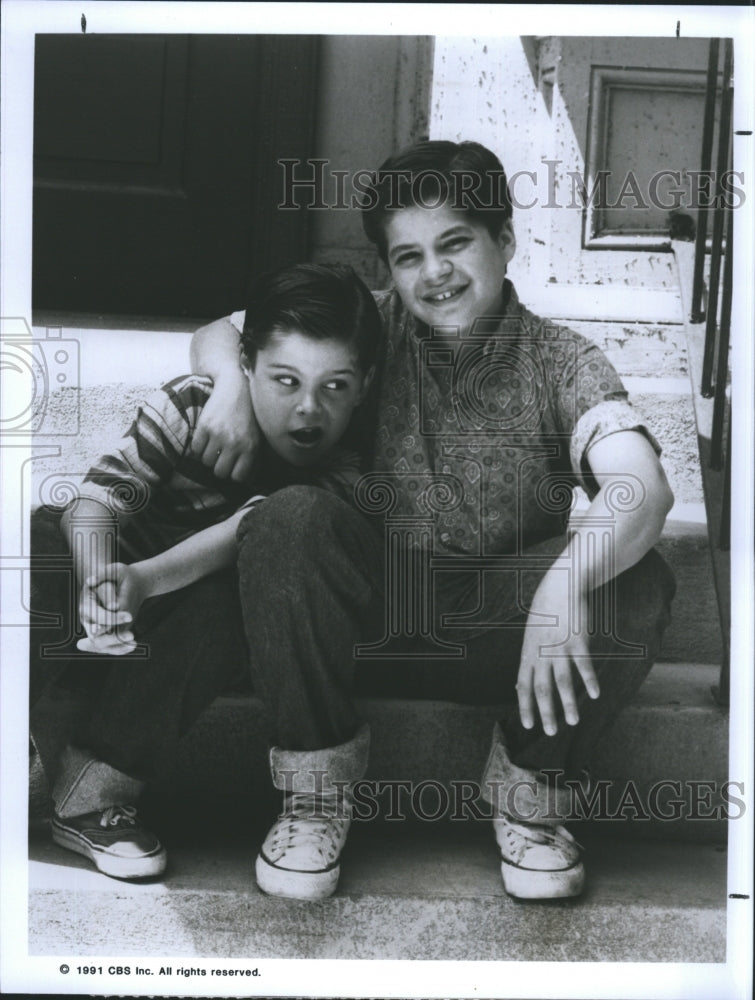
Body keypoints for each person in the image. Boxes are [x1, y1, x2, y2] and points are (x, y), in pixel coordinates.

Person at [190, 140, 676, 902]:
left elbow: (640, 488)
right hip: (360, 613)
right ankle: (314, 796)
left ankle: (529, 800)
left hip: (495, 632)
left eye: (454, 243)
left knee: (636, 582)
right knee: (289, 520)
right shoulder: (367, 326)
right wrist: (226, 383)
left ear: (505, 241)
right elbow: (231, 329)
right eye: (408, 256)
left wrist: (561, 588)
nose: (435, 273)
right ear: (388, 268)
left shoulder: (561, 360)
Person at [29, 263, 380, 881]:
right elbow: (95, 501)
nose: (307, 409)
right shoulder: (194, 402)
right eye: (285, 380)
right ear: (246, 368)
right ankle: (25, 747)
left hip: (188, 603)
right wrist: (96, 576)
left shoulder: (347, 471)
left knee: (225, 612)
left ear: (364, 385)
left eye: (335, 387)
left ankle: (94, 794)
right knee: (37, 532)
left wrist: (139, 583)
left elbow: (239, 535)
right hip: (121, 571)